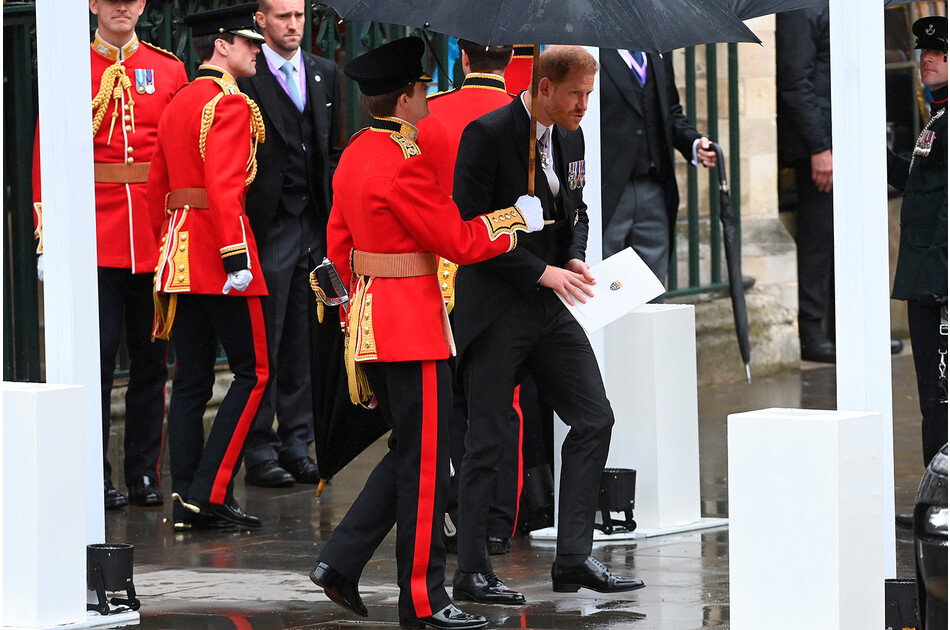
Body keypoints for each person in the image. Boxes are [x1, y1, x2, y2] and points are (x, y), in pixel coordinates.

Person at [307, 36, 543, 630]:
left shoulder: (359, 152)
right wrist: (516, 218)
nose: (428, 100)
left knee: (413, 452)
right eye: (422, 91)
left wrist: (350, 317)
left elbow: (339, 244)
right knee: (427, 466)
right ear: (408, 95)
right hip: (411, 327)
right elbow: (457, 241)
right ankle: (423, 597)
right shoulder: (403, 163)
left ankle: (340, 561)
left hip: (370, 323)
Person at [451, 45, 645, 605]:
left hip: (551, 306)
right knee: (487, 438)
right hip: (495, 309)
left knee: (593, 418)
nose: (584, 105)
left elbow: (577, 209)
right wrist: (541, 271)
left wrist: (577, 256)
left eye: (589, 94)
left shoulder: (573, 134)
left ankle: (573, 558)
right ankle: (470, 569)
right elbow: (469, 228)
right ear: (542, 88)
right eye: (574, 94)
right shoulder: (486, 135)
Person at [31, 0, 188, 510]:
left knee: (151, 364)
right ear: (93, 5)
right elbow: (44, 151)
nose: (123, 7)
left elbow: (182, 153)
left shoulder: (168, 69)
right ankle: (93, 476)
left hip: (153, 236)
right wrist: (48, 235)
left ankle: (144, 473)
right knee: (94, 366)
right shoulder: (72, 66)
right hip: (94, 237)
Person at [148, 3, 269, 531]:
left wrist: (166, 248)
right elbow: (224, 188)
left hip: (180, 253)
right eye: (249, 42)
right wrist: (235, 255)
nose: (257, 51)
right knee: (255, 371)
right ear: (222, 46)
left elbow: (158, 189)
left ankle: (186, 497)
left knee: (192, 379)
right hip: (221, 253)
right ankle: (210, 492)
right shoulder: (228, 103)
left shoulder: (178, 102)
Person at [417, 39, 524, 557]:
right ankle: (501, 519)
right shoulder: (523, 115)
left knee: (449, 404)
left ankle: (455, 514)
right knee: (503, 404)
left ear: (462, 58)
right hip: (504, 272)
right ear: (511, 59)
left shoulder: (432, 115)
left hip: (442, 274)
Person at [235, 0, 343, 488]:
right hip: (270, 225)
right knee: (269, 337)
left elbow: (333, 148)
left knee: (307, 335)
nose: (293, 25)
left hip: (314, 225)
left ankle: (298, 442)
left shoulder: (325, 72)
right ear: (260, 20)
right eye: (282, 16)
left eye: (298, 15)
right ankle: (259, 447)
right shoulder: (247, 75)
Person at [599, 48, 716, 284]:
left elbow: (671, 112)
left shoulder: (658, 51)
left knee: (652, 287)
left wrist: (693, 143)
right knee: (604, 285)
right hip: (607, 191)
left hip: (654, 187)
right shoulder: (590, 50)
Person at [887, 15, 948, 472]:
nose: (928, 58)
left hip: (939, 280)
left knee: (943, 396)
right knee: (933, 396)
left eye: (941, 53)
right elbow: (920, 184)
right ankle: (937, 491)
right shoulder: (938, 117)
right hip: (925, 278)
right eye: (925, 52)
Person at [776, 8, 836, 363]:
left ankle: (845, 330)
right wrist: (820, 146)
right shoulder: (800, 7)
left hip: (839, 141)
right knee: (819, 239)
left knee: (841, 242)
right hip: (819, 147)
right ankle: (813, 334)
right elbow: (795, 82)